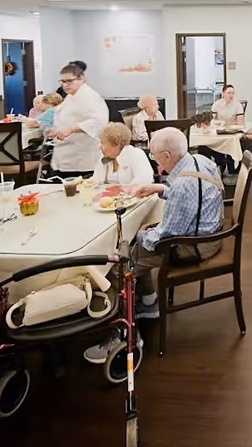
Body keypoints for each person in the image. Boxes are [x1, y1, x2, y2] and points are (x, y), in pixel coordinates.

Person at [83, 128, 224, 363]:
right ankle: (149, 303)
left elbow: (164, 238)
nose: (154, 160)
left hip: (194, 246)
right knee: (136, 246)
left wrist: (136, 235)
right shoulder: (199, 161)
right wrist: (161, 189)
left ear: (167, 155)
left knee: (118, 264)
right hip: (209, 233)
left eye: (155, 155)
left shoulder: (182, 185)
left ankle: (123, 335)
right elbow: (193, 197)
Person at [48, 62, 109, 178]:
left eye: (69, 81)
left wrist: (71, 129)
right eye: (62, 81)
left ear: (81, 78)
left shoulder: (90, 96)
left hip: (82, 158)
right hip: (66, 154)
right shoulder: (71, 96)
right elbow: (66, 118)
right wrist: (54, 130)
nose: (65, 85)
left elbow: (98, 121)